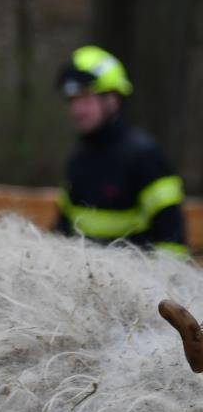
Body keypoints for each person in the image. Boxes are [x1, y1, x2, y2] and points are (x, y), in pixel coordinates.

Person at [53, 45, 187, 255]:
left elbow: (172, 244)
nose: (76, 109)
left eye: (86, 98)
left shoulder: (145, 157)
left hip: (140, 284)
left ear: (112, 100)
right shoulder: (78, 159)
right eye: (72, 100)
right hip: (83, 283)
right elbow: (62, 232)